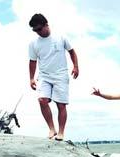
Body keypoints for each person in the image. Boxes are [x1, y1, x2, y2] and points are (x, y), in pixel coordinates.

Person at [28, 13, 79, 141]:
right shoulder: (34, 43)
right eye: (35, 30)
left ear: (46, 24)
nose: (37, 32)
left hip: (61, 75)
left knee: (61, 105)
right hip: (44, 75)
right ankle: (52, 128)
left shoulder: (61, 37)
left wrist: (76, 66)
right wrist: (31, 78)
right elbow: (32, 61)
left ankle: (61, 132)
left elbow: (72, 51)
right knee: (42, 100)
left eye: (39, 29)